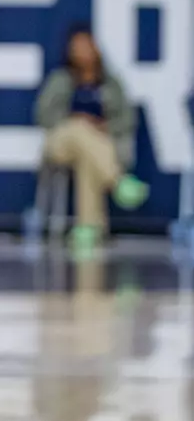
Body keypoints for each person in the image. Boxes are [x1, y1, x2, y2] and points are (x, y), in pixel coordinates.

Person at [35, 22, 148, 252]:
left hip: (97, 145)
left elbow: (126, 118)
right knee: (79, 128)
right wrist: (76, 119)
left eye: (86, 45)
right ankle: (117, 181)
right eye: (77, 47)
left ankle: (89, 228)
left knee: (88, 157)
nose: (82, 52)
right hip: (63, 140)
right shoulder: (61, 79)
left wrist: (105, 126)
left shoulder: (110, 83)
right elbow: (43, 114)